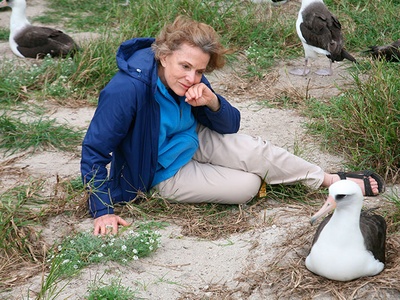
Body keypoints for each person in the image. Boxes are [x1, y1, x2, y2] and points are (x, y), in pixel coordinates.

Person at [81, 16, 385, 236]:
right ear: (163, 56)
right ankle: (270, 179)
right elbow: (95, 149)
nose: (191, 77)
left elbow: (230, 126)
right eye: (184, 67)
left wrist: (212, 102)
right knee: (247, 185)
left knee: (256, 150)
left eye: (199, 70)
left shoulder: (194, 77)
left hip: (194, 138)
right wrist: (103, 210)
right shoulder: (126, 90)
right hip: (160, 169)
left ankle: (330, 180)